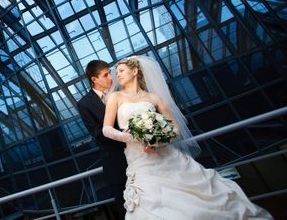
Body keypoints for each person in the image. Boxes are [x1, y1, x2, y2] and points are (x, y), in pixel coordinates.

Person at [102, 55, 273, 219]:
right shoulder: (116, 97)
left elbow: (175, 128)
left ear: (135, 71)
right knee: (150, 199)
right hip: (140, 160)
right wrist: (137, 138)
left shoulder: (153, 98)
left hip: (167, 155)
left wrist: (157, 139)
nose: (117, 75)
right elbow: (107, 129)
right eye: (116, 72)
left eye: (121, 70)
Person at [77, 60, 128, 219]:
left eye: (110, 73)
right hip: (116, 162)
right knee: (126, 207)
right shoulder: (84, 104)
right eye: (105, 75)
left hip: (140, 154)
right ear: (94, 79)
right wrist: (126, 136)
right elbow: (97, 132)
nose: (111, 78)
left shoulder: (121, 91)